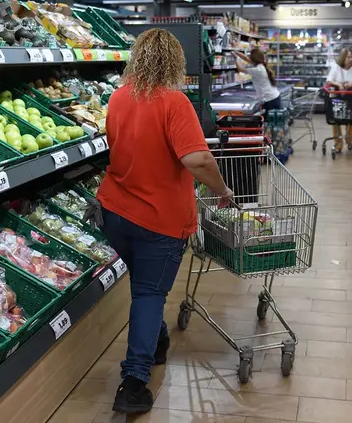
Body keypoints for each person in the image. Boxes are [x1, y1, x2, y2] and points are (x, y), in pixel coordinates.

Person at [95, 28, 233, 415]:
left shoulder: (119, 97)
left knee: (144, 288)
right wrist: (222, 189)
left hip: (116, 213)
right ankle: (134, 383)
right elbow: (198, 160)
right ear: (175, 61)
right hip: (160, 219)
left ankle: (156, 343)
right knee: (149, 295)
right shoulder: (175, 102)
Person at [326, 47, 352, 152]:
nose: (350, 59)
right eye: (348, 57)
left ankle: (349, 139)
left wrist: (351, 83)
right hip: (337, 98)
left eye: (351, 57)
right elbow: (329, 81)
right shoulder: (335, 67)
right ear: (343, 58)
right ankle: (339, 143)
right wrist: (338, 84)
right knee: (336, 121)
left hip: (351, 98)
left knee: (351, 120)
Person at [233, 48, 281, 113]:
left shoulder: (258, 70)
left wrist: (236, 58)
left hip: (270, 100)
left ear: (254, 59)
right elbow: (245, 58)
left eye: (250, 56)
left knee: (269, 121)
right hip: (273, 98)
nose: (249, 57)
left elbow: (240, 69)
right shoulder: (260, 65)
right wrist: (235, 51)